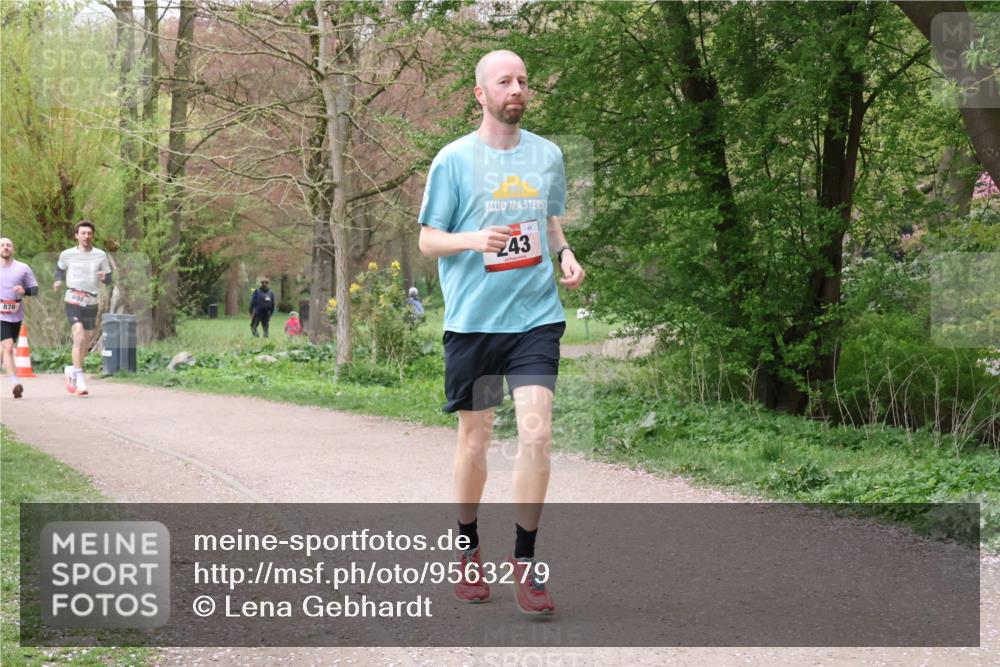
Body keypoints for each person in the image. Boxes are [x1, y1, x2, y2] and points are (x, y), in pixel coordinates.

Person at [417, 49, 585, 615]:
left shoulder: (547, 156)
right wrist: (471, 240)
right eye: (504, 81)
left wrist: (564, 253)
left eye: (522, 80)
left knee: (536, 434)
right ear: (480, 95)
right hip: (477, 328)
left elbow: (549, 215)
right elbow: (427, 239)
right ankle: (467, 548)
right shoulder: (454, 161)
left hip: (534, 321)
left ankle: (526, 561)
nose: (516, 88)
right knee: (478, 438)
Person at [53, 220, 112, 397]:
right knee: (78, 334)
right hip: (73, 298)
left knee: (86, 340)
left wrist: (104, 278)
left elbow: (109, 279)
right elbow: (59, 269)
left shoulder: (100, 255)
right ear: (76, 235)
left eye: (89, 233)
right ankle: (80, 380)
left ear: (92, 236)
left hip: (91, 301)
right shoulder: (67, 254)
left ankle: (72, 370)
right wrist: (58, 280)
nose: (86, 236)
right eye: (83, 233)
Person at [0, 237, 39, 399]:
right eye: (2, 245)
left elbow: (35, 290)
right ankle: (15, 383)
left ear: (13, 249)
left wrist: (25, 292)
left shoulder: (22, 268)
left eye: (8, 245)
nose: (5, 247)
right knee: (8, 347)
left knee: (5, 349)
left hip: (15, 314)